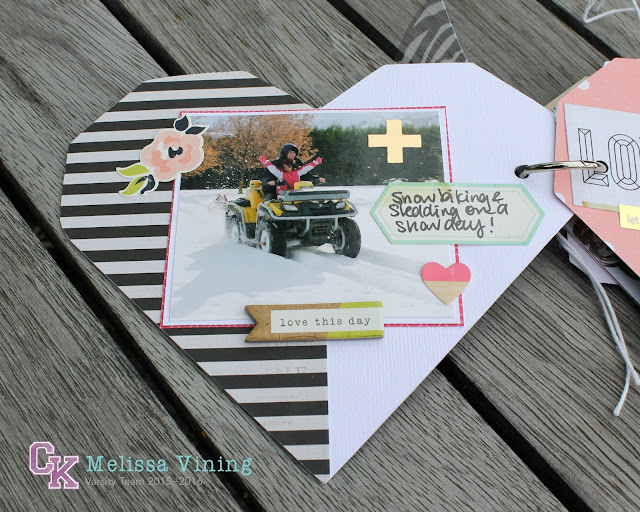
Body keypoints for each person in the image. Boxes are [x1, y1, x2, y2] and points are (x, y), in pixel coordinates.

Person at [259, 155, 324, 199]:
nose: (286, 168)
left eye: (288, 167)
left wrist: (316, 162)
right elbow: (272, 168)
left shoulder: (297, 172)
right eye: (284, 167)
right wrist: (265, 161)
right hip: (283, 195)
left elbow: (306, 168)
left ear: (292, 166)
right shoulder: (280, 174)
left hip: (296, 193)